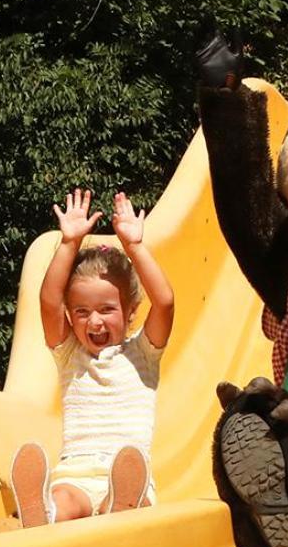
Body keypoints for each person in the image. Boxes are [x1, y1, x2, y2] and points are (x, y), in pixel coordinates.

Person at [11, 188, 175, 524]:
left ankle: (118, 505)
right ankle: (44, 511)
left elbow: (165, 302)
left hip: (128, 471)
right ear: (70, 314)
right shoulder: (69, 353)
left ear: (129, 311)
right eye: (82, 311)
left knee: (136, 498)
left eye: (107, 309)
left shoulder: (143, 352)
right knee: (66, 498)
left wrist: (135, 247)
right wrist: (69, 244)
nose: (94, 320)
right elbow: (48, 302)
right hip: (76, 473)